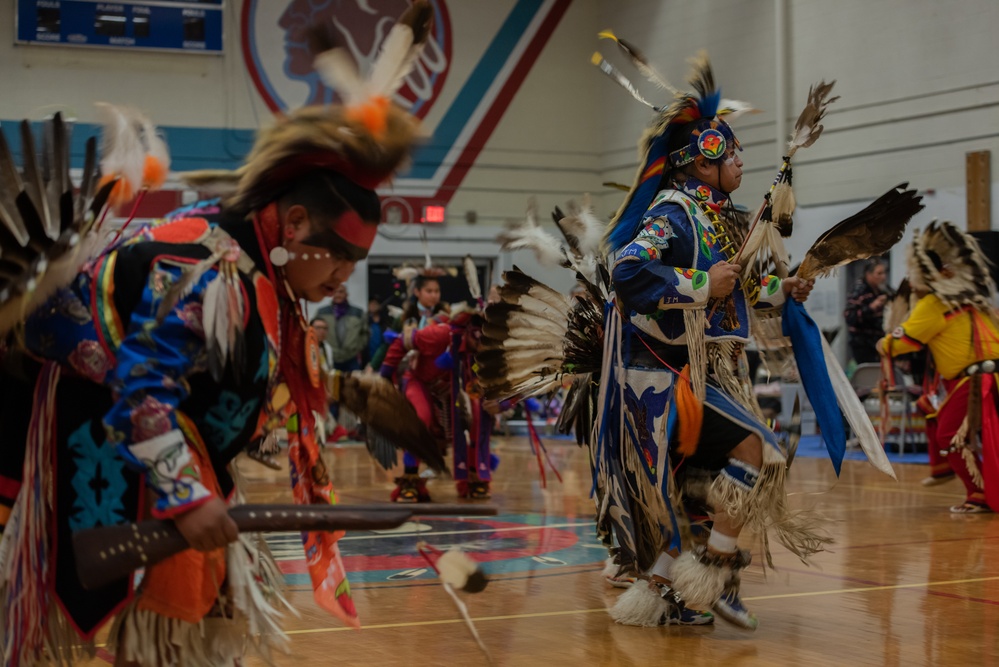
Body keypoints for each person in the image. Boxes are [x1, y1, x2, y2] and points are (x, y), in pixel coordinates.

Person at [0, 5, 431, 663]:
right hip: (95, 419)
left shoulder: (262, 268)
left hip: (170, 438)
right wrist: (185, 491)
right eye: (339, 258)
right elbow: (141, 382)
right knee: (163, 621)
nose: (343, 278)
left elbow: (238, 380)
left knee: (192, 619)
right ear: (291, 224)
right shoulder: (209, 267)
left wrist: (339, 390)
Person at [599, 53, 818, 632]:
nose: (744, 162)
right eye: (735, 153)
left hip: (710, 372)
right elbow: (627, 272)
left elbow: (740, 290)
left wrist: (782, 288)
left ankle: (665, 594)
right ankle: (713, 573)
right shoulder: (672, 214)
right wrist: (698, 282)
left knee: (698, 493)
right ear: (704, 162)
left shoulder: (722, 219)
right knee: (761, 451)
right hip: (662, 378)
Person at [879, 221, 999, 513]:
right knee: (935, 413)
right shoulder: (968, 297)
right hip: (989, 376)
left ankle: (979, 493)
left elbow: (903, 341)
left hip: (976, 381)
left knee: (949, 435)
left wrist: (884, 343)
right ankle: (953, 472)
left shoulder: (934, 303)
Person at [845, 258, 890, 365]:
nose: (883, 277)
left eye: (884, 273)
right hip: (863, 345)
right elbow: (849, 317)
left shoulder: (883, 290)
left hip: (879, 343)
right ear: (868, 274)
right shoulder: (859, 290)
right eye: (879, 273)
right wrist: (872, 307)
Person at [316, 284, 369, 372]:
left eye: (341, 292)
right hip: (330, 357)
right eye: (335, 292)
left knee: (353, 384)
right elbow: (314, 331)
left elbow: (365, 333)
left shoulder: (357, 312)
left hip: (351, 358)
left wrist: (356, 347)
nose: (338, 295)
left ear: (346, 294)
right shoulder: (322, 312)